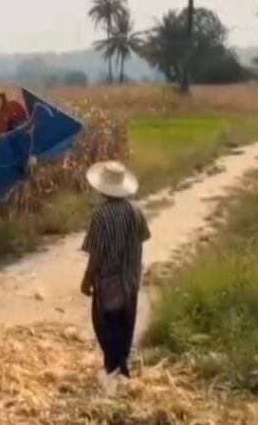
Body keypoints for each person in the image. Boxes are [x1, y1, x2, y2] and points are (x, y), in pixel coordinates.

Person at [80, 160, 151, 379]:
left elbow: (96, 253)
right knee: (125, 327)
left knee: (105, 327)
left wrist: (87, 279)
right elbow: (143, 237)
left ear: (103, 188)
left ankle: (116, 370)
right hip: (131, 279)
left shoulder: (100, 216)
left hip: (109, 281)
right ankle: (120, 369)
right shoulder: (136, 211)